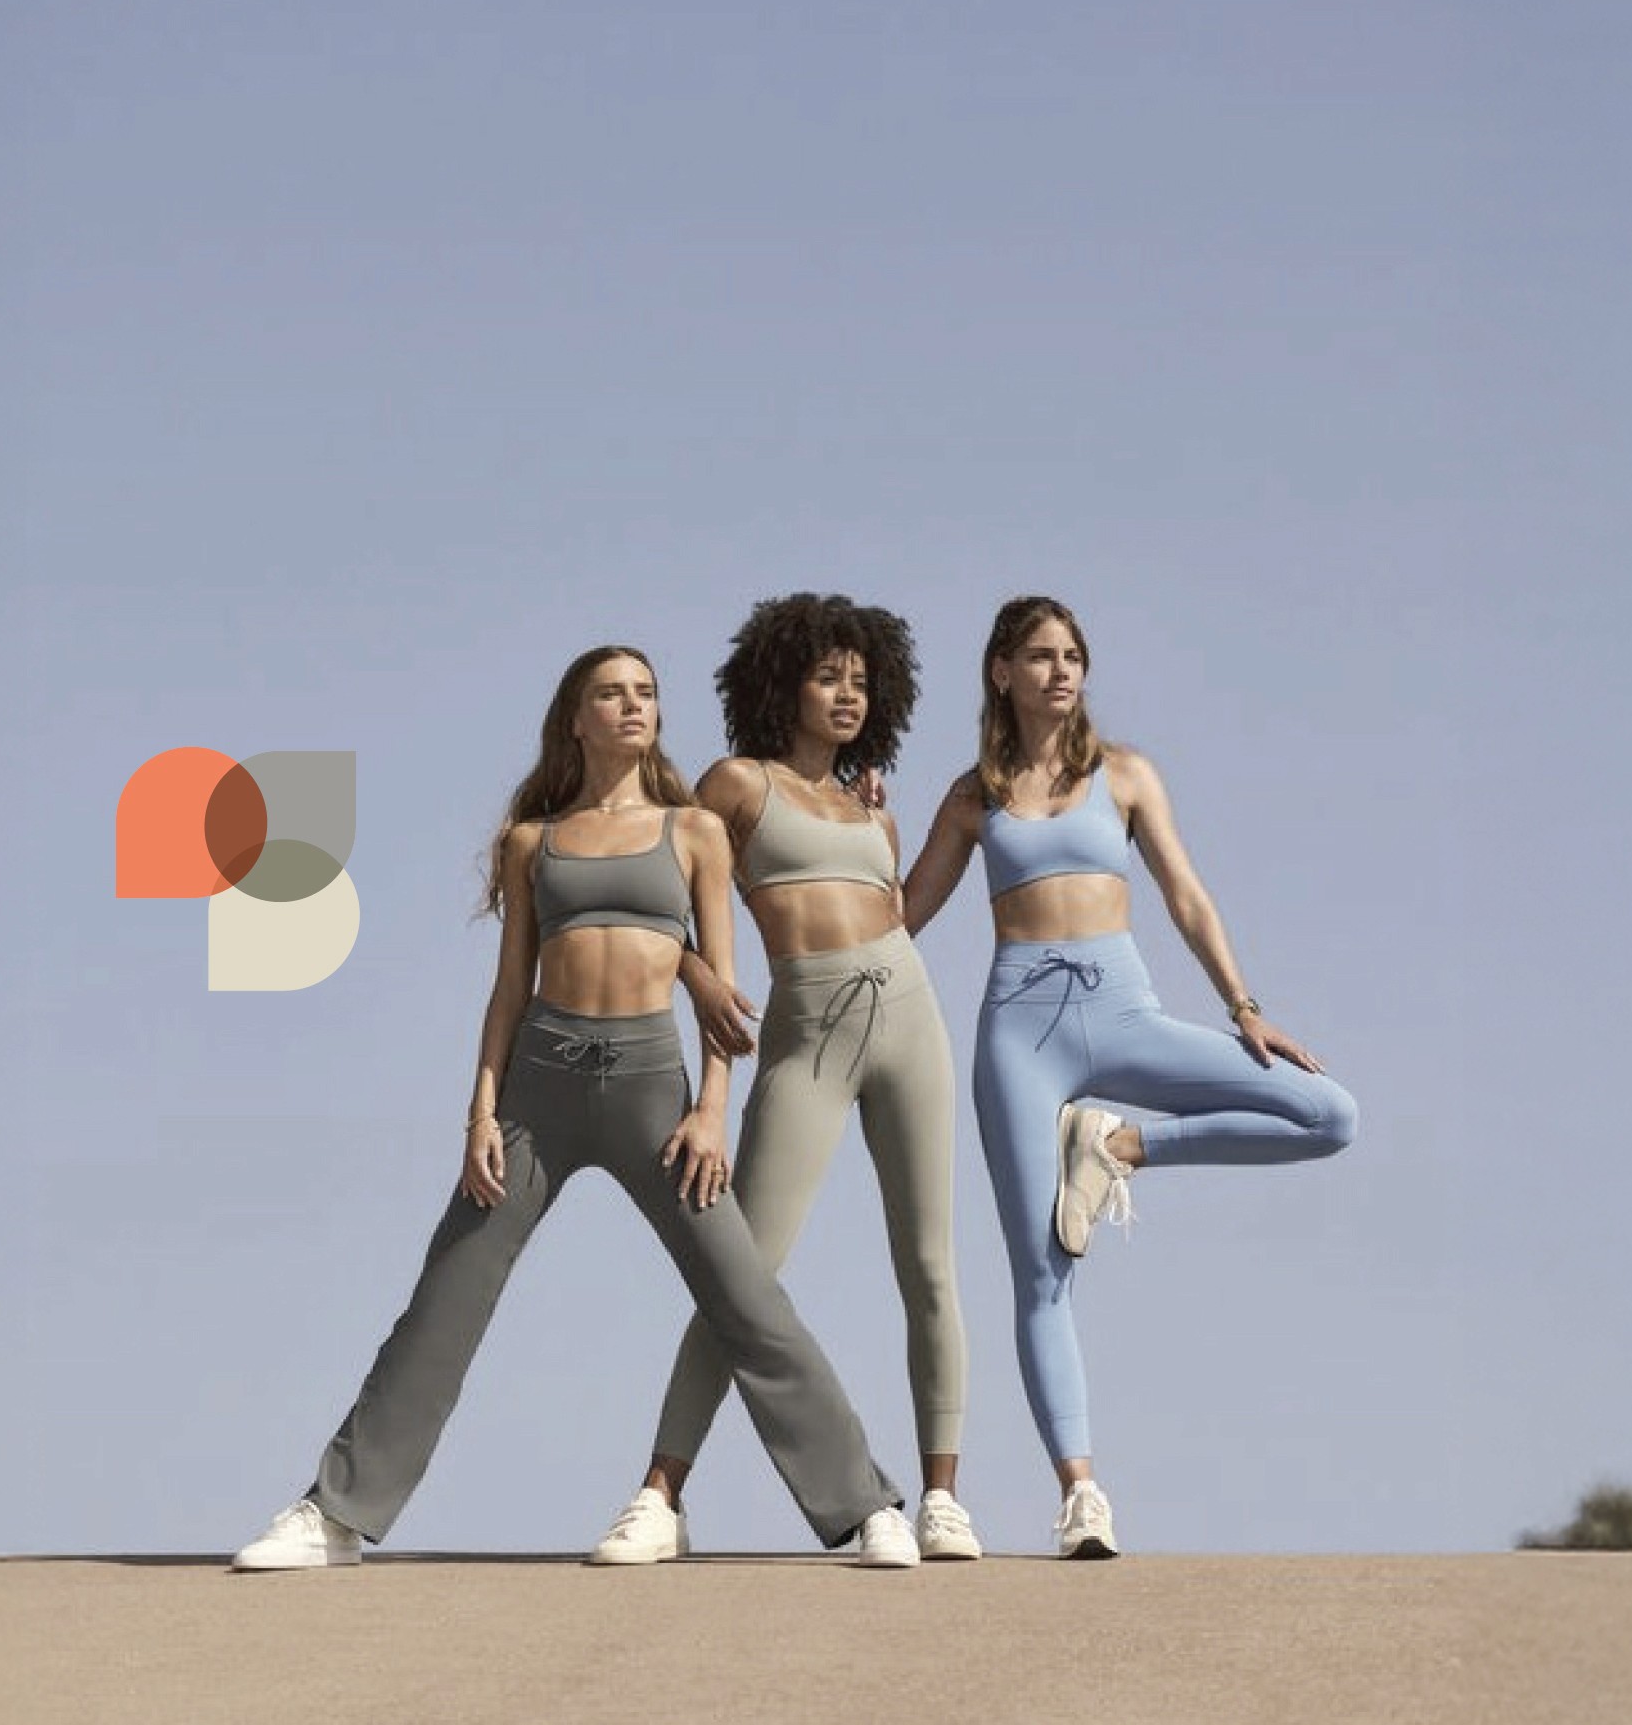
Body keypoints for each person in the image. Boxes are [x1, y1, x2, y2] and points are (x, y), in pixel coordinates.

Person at [233, 643, 921, 1571]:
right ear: (577, 716)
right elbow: (508, 991)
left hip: (651, 1088)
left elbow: (719, 982)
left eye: (645, 692)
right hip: (538, 1088)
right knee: (445, 1298)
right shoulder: (533, 841)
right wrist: (479, 1115)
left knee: (744, 1294)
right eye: (612, 692)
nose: (632, 705)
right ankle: (334, 1512)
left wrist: (712, 1109)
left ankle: (867, 1505)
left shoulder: (693, 831)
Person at [902, 596, 1358, 1559]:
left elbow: (1186, 894)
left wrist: (1242, 1006)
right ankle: (1081, 1496)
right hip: (1019, 1032)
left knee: (1326, 1112)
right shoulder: (969, 796)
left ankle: (1119, 1145)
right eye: (1039, 656)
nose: (1061, 671)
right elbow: (903, 915)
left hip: (1125, 1012)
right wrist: (855, 842)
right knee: (1040, 1271)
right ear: (1000, 673)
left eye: (1073, 656)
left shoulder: (1127, 774)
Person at [586, 594, 980, 1565]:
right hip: (803, 1029)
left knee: (929, 1263)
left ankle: (941, 1497)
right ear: (781, 683)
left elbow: (885, 912)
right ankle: (659, 1497)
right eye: (827, 676)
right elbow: (648, 897)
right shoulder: (735, 786)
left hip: (910, 1013)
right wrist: (698, 976)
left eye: (861, 680)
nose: (848, 694)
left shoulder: (868, 810)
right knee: (743, 1267)